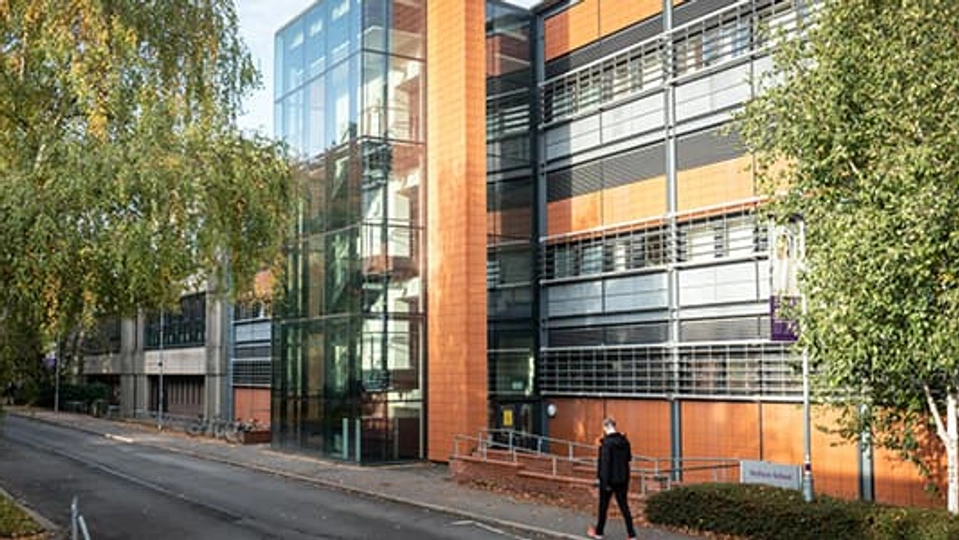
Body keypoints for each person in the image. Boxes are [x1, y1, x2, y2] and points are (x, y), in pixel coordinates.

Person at [587, 417, 637, 540]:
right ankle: (632, 535)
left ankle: (599, 533)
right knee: (624, 506)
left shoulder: (606, 444)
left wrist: (603, 483)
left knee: (603, 507)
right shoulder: (625, 441)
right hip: (623, 479)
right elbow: (629, 458)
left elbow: (605, 464)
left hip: (609, 481)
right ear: (615, 426)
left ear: (605, 427)